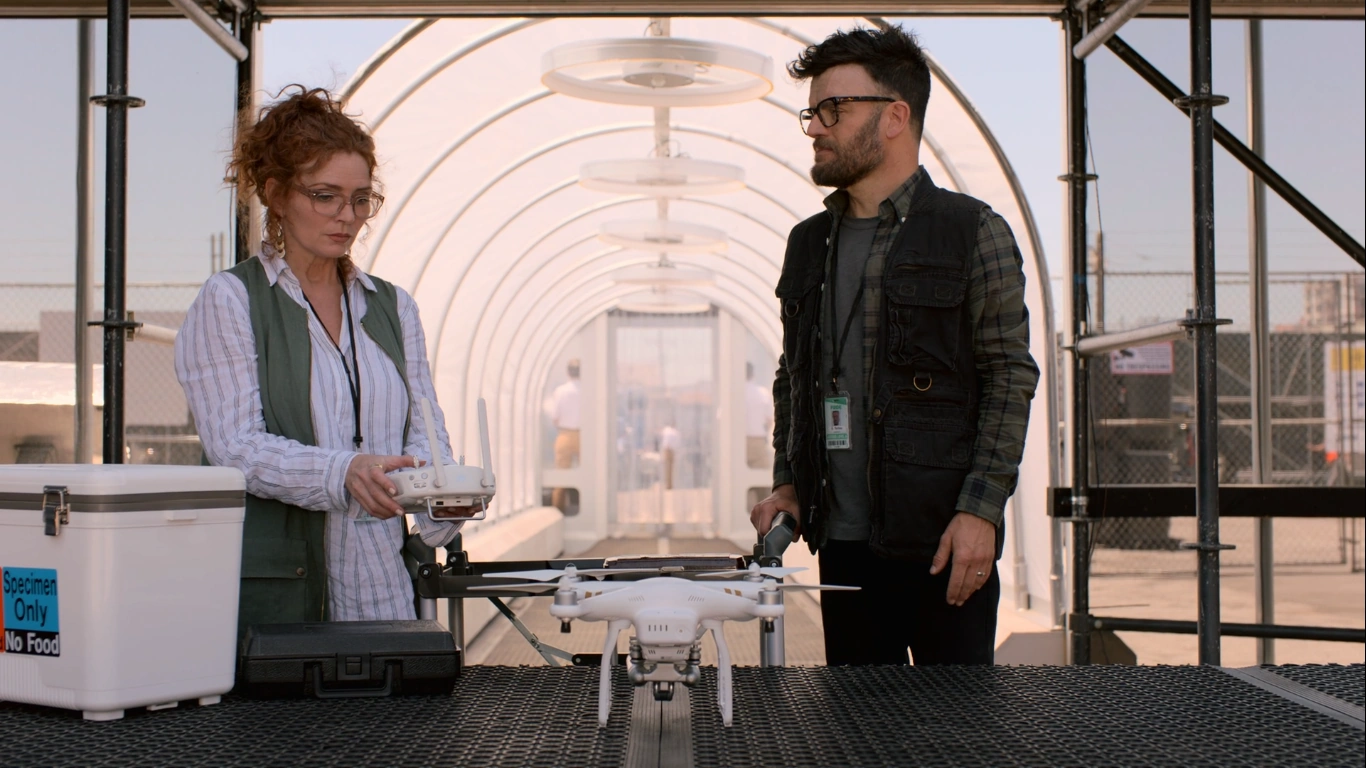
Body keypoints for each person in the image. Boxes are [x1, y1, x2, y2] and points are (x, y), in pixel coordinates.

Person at [749, 26, 1040, 666]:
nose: (815, 128)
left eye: (833, 109)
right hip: (843, 551)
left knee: (954, 721)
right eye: (812, 112)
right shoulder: (808, 242)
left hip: (945, 543)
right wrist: (789, 484)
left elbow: (1008, 378)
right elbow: (794, 376)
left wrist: (981, 512)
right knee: (854, 721)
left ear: (894, 117)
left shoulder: (973, 231)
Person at [175, 86, 462, 636]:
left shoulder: (393, 306)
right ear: (276, 194)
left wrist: (442, 495)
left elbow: (425, 430)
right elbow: (235, 446)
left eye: (361, 200)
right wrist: (343, 472)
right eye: (326, 196)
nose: (347, 217)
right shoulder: (232, 299)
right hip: (281, 609)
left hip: (384, 592)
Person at [550, 359, 582, 511]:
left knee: (561, 476)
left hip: (565, 434)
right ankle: (586, 508)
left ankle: (558, 510)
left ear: (568, 372)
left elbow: (555, 417)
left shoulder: (560, 391)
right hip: (584, 436)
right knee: (587, 474)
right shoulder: (587, 390)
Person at [745, 362, 775, 468]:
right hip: (757, 441)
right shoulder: (762, 393)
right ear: (753, 374)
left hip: (736, 442)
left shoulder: (732, 393)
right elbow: (770, 420)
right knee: (760, 473)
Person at [659, 422, 681, 490]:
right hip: (673, 450)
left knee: (667, 468)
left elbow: (662, 437)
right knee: (671, 468)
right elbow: (678, 443)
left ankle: (667, 485)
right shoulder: (676, 432)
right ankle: (670, 484)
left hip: (667, 449)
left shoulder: (667, 430)